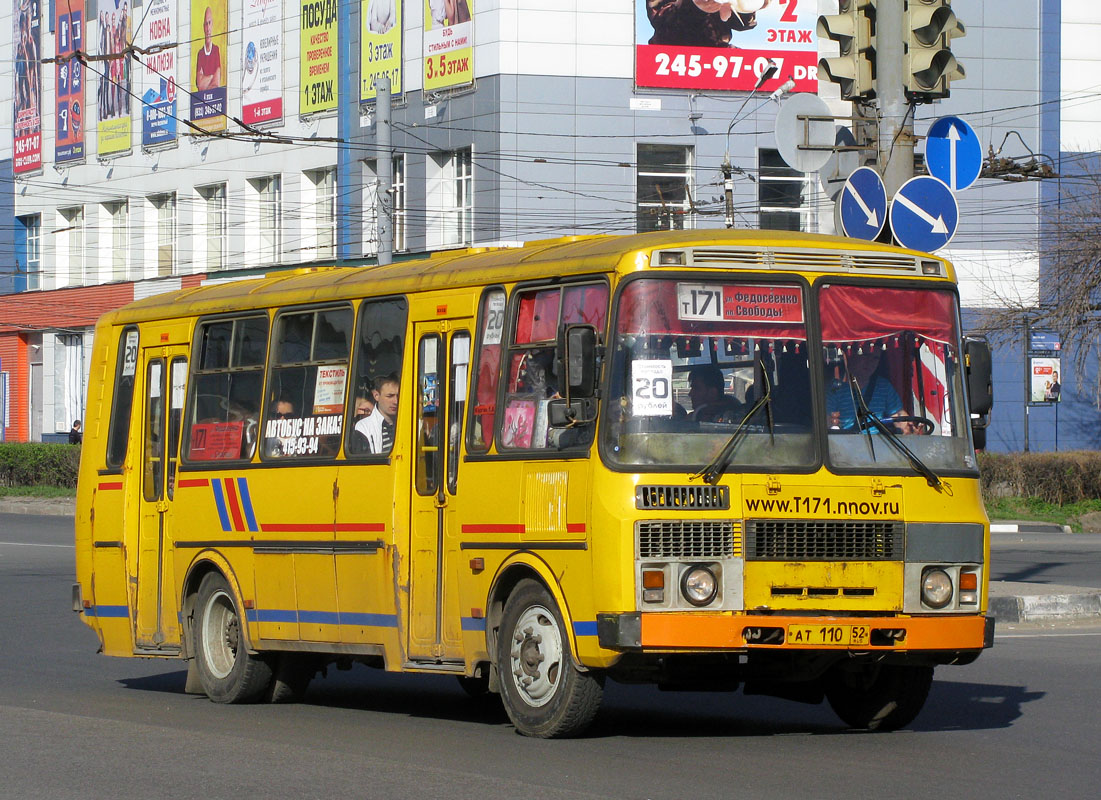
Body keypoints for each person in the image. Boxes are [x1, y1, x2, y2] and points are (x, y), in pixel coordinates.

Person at [827, 347, 917, 433]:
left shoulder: (884, 386)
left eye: (875, 358)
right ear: (850, 355)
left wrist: (909, 429)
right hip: (845, 445)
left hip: (878, 445)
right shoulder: (835, 389)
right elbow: (827, 421)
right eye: (865, 355)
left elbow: (898, 416)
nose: (870, 362)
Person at [647, 0, 770, 48]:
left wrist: (750, 7)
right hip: (671, 54)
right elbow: (661, 20)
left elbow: (742, 24)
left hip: (717, 55)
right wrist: (696, 6)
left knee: (765, 73)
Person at [354, 375, 399, 454]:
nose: (395, 401)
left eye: (398, 396)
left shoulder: (407, 423)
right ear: (376, 396)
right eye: (390, 396)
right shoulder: (363, 427)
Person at [195, 6, 222, 91]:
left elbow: (216, 83)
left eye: (210, 23)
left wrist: (205, 78)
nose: (208, 28)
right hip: (201, 100)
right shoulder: (200, 54)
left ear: (212, 25)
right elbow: (200, 85)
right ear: (203, 27)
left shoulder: (216, 50)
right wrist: (211, 76)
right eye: (206, 24)